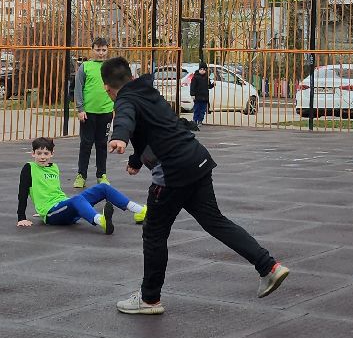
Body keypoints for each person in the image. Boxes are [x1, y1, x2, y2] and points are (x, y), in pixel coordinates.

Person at [104, 56, 286, 314]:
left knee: (154, 233)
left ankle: (149, 299)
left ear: (107, 88)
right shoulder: (148, 91)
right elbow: (152, 129)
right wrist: (135, 159)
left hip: (173, 173)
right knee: (216, 222)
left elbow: (126, 118)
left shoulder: (124, 100)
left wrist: (119, 137)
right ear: (131, 77)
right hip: (196, 160)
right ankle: (269, 266)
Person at [15, 136, 146, 232]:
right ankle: (101, 221)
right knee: (77, 198)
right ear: (33, 154)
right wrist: (22, 217)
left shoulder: (54, 167)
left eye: (46, 153)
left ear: (52, 154)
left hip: (63, 207)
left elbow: (51, 190)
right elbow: (23, 192)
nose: (42, 157)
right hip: (50, 214)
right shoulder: (29, 168)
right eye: (39, 153)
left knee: (103, 187)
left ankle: (139, 211)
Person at [73, 37, 114, 188]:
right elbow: (78, 89)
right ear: (92, 50)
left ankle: (101, 175)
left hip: (106, 112)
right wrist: (80, 109)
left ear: (107, 50)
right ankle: (81, 175)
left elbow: (117, 88)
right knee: (86, 144)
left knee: (102, 144)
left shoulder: (111, 68)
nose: (101, 53)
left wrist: (115, 108)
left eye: (104, 50)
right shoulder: (85, 67)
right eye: (98, 50)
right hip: (88, 113)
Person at [189, 64, 213, 128]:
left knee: (202, 110)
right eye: (201, 69)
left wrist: (213, 85)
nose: (202, 71)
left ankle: (200, 120)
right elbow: (192, 87)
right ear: (199, 70)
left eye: (204, 69)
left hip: (204, 97)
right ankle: (195, 120)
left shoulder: (206, 78)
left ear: (206, 70)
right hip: (197, 97)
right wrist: (192, 94)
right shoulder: (195, 77)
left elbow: (208, 86)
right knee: (197, 109)